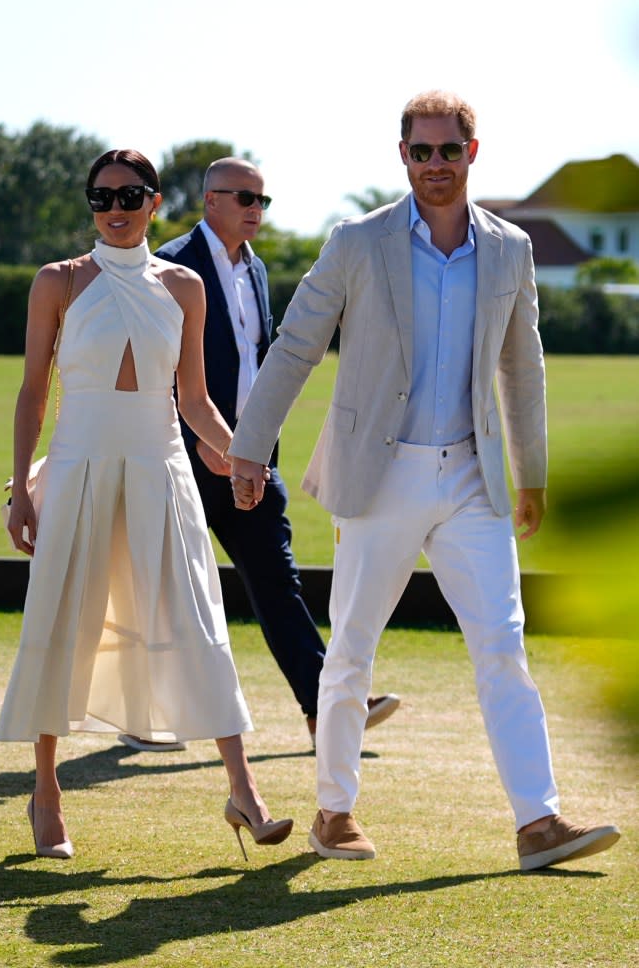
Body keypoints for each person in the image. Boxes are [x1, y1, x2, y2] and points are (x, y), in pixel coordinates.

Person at [228, 91, 621, 869]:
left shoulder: (509, 247)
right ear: (400, 155)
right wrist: (249, 448)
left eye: (448, 151)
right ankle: (333, 812)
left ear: (472, 153)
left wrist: (530, 473)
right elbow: (297, 343)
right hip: (380, 477)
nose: (433, 165)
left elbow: (521, 364)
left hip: (471, 480)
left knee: (502, 646)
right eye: (420, 151)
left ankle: (537, 823)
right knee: (350, 649)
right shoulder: (356, 242)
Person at [0, 149, 292, 861]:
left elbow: (193, 399)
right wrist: (19, 489)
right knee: (62, 616)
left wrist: (240, 458)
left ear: (156, 202)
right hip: (77, 467)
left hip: (162, 469)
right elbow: (35, 391)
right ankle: (45, 793)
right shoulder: (58, 282)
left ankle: (243, 794)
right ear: (90, 204)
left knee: (197, 616)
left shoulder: (185, 286)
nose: (115, 208)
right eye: (101, 197)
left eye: (130, 195)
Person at [115, 157, 397, 753]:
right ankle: (141, 714)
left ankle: (324, 708)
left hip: (248, 455)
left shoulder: (258, 270)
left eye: (262, 201)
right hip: (181, 454)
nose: (255, 209)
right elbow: (147, 364)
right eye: (244, 197)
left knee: (276, 577)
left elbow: (263, 360)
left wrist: (254, 446)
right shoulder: (168, 265)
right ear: (209, 199)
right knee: (167, 584)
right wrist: (199, 441)